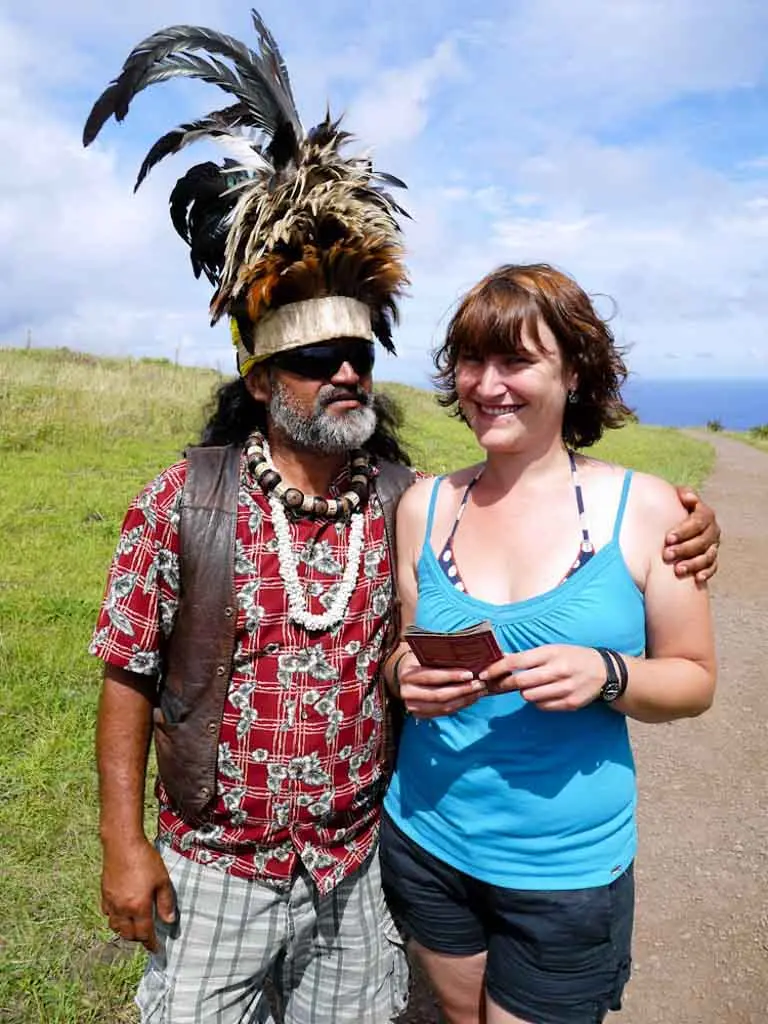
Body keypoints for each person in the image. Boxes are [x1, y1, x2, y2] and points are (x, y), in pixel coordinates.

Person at [85, 14, 720, 1024]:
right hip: (217, 873)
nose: (342, 373)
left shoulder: (400, 496)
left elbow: (515, 534)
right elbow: (127, 671)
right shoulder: (186, 499)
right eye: (310, 360)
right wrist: (126, 843)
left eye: (358, 357)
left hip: (356, 867)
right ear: (258, 380)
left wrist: (688, 520)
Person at [379, 263, 717, 1024]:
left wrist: (607, 672)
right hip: (425, 840)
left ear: (575, 372)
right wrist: (406, 677)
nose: (487, 384)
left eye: (516, 360)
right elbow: (405, 644)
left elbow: (695, 680)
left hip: (566, 873)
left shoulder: (649, 509)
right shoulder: (424, 505)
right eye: (472, 360)